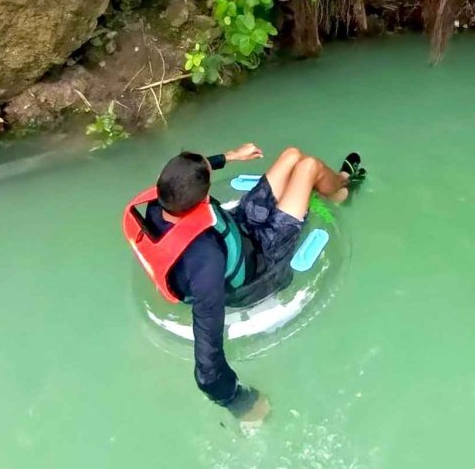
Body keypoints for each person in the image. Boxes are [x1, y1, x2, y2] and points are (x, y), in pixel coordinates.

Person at [122, 143, 363, 422]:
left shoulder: (160, 203)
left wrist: (230, 157)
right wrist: (242, 404)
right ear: (203, 197)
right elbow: (207, 371)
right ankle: (341, 188)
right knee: (308, 168)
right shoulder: (205, 263)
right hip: (261, 264)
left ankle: (335, 189)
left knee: (292, 155)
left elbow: (191, 172)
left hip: (239, 228)